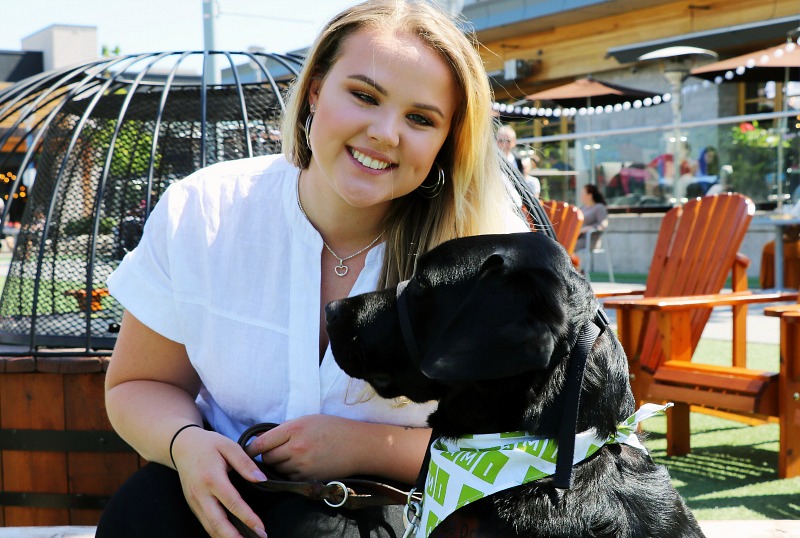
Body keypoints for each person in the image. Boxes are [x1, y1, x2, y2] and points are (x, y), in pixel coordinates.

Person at [97, 1, 531, 537]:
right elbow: (139, 383)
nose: (386, 132)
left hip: (404, 511)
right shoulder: (204, 209)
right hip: (231, 495)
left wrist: (363, 446)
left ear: (448, 140)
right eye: (364, 96)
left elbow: (525, 448)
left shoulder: (491, 255)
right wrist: (185, 442)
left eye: (421, 118)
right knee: (140, 514)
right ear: (315, 90)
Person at [575, 184, 608, 252]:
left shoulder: (599, 207)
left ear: (590, 195)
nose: (581, 196)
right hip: (578, 238)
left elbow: (603, 225)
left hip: (590, 240)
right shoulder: (582, 208)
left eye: (583, 194)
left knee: (566, 245)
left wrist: (587, 228)